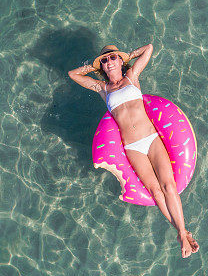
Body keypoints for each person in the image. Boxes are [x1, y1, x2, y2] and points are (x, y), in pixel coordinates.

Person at [68, 44, 199, 258]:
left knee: (168, 185)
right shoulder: (102, 88)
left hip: (151, 139)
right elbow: (73, 74)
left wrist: (128, 56)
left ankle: (183, 234)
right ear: (101, 66)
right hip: (132, 147)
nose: (109, 61)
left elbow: (149, 49)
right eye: (104, 60)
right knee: (156, 192)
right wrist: (93, 68)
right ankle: (181, 233)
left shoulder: (132, 76)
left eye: (112, 58)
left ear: (120, 61)